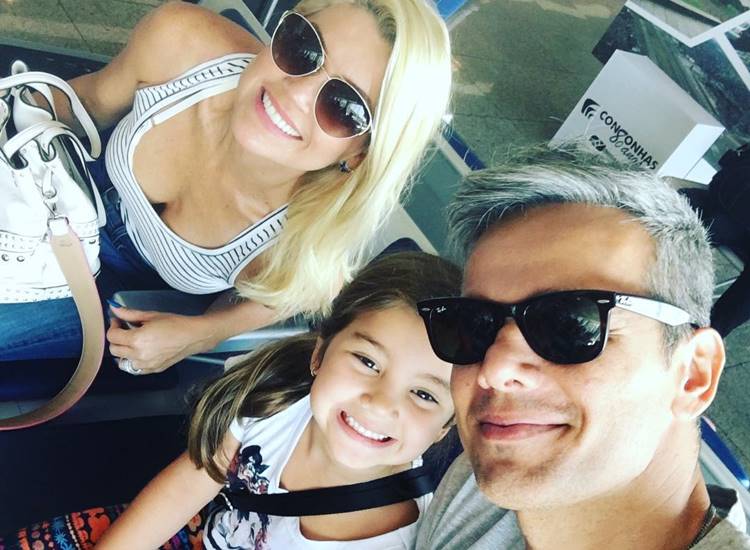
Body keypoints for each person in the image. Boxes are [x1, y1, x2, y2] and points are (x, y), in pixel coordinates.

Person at [0, 0, 452, 375]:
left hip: (107, 292)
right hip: (51, 187)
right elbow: (88, 101)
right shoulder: (182, 41)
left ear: (361, 154)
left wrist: (201, 334)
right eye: (302, 47)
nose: (295, 93)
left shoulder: (304, 237)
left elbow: (286, 295)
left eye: (344, 106)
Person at [0, 251, 461, 549]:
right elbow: (187, 486)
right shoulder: (276, 400)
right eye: (367, 361)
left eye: (423, 394)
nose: (380, 403)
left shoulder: (394, 538)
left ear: (446, 425)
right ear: (320, 353)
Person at [413, 146, 750, 549]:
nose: (494, 370)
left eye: (570, 325)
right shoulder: (488, 471)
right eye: (473, 324)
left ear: (693, 375)